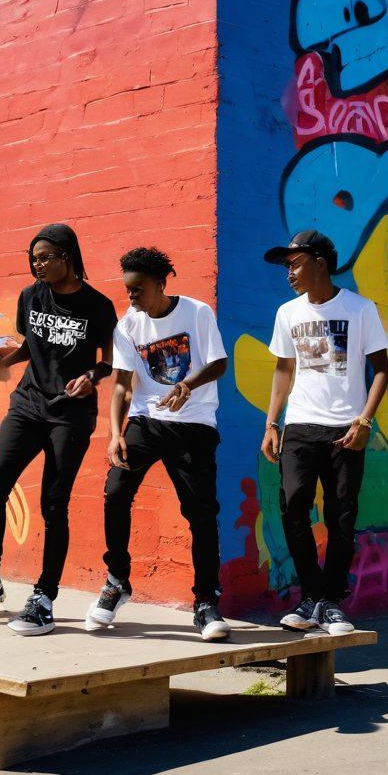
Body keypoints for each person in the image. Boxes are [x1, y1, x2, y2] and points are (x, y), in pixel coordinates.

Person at [0, 224, 117, 636]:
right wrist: (7, 359)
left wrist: (90, 378)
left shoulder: (98, 305)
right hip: (27, 405)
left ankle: (44, 596)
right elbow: (32, 345)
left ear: (68, 257)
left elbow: (108, 360)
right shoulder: (30, 295)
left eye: (45, 257)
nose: (37, 265)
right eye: (34, 258)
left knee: (53, 503)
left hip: (70, 414)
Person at [86, 248, 231, 640]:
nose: (132, 297)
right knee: (116, 491)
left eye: (139, 289)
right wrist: (115, 435)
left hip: (193, 424)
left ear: (161, 283)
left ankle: (206, 603)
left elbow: (219, 363)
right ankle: (117, 581)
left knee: (200, 513)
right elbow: (120, 385)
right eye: (128, 290)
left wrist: (187, 384)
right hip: (147, 422)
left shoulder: (196, 313)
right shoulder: (128, 326)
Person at [262, 230, 388, 635]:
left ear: (320, 262)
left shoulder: (361, 309)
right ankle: (312, 596)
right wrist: (271, 422)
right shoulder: (288, 313)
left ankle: (332, 602)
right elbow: (284, 369)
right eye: (287, 266)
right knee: (294, 508)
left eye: (295, 264)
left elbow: (382, 368)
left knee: (341, 515)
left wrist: (364, 421)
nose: (290, 273)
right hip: (300, 425)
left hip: (345, 428)